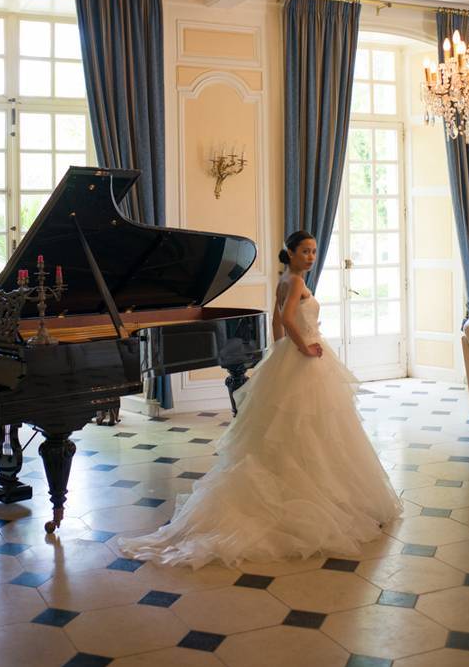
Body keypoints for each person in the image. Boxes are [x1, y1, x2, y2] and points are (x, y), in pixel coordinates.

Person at [118, 230, 401, 569]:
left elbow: (277, 320)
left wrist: (281, 349)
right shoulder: (295, 281)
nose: (311, 257)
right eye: (305, 251)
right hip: (304, 355)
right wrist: (302, 347)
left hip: (291, 356)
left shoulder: (284, 280)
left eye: (314, 251)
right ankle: (316, 494)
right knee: (314, 424)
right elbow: (286, 318)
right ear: (290, 253)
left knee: (295, 426)